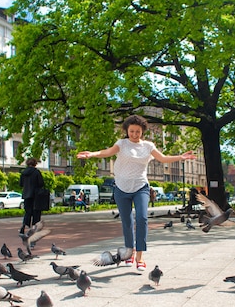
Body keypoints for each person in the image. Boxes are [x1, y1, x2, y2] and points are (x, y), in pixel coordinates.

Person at [77, 114, 196, 271]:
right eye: (131, 131)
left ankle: (140, 256)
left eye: (137, 131)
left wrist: (180, 157)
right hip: (121, 188)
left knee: (142, 218)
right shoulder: (122, 144)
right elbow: (107, 152)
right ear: (127, 130)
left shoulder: (148, 146)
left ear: (142, 132)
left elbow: (163, 158)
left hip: (141, 187)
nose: (134, 134)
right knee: (127, 222)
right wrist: (91, 154)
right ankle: (129, 252)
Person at [19, 158, 44, 234]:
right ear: (35, 164)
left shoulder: (23, 173)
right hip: (36, 195)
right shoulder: (36, 172)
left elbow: (20, 184)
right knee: (36, 212)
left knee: (28, 212)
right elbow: (41, 183)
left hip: (26, 195)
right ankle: (34, 228)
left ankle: (24, 226)